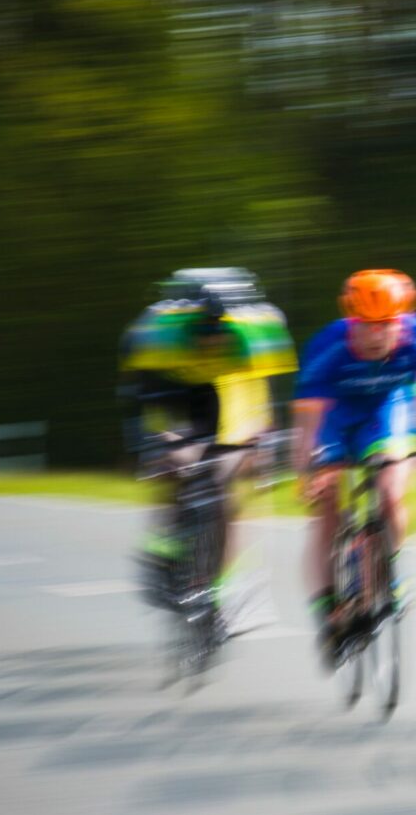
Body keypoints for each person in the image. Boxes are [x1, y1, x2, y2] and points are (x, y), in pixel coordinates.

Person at [120, 267, 297, 626]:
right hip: (168, 385)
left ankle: (215, 587)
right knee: (173, 462)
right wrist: (154, 443)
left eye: (220, 331)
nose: (214, 338)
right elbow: (141, 399)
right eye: (206, 330)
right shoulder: (162, 334)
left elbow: (258, 402)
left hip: (217, 391)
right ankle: (162, 549)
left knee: (224, 488)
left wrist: (261, 446)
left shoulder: (250, 334)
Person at [292, 269, 416, 669]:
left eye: (388, 325)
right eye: (369, 326)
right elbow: (307, 426)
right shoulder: (327, 347)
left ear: (403, 319)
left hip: (388, 412)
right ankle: (329, 605)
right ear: (352, 321)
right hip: (336, 418)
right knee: (327, 505)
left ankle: (385, 569)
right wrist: (307, 473)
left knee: (393, 490)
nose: (379, 334)